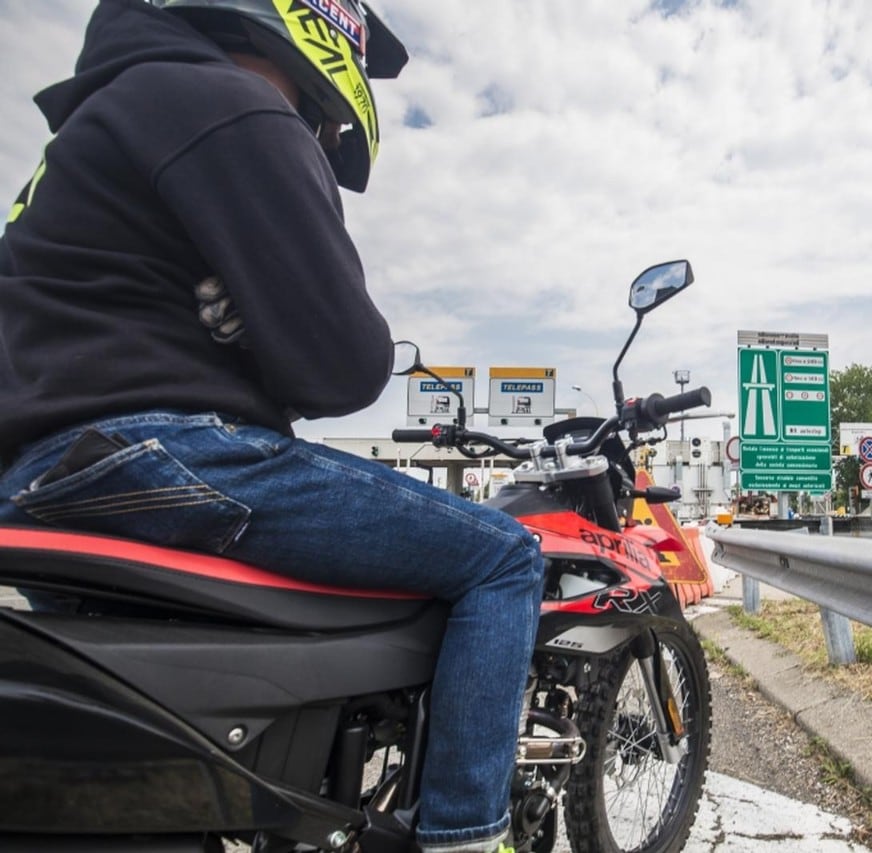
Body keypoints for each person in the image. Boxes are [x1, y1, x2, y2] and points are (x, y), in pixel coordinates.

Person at [0, 2, 543, 852]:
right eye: (327, 127)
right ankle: (466, 834)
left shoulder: (89, 132)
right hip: (160, 455)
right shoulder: (235, 103)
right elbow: (346, 363)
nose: (324, 139)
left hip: (38, 479)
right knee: (506, 556)